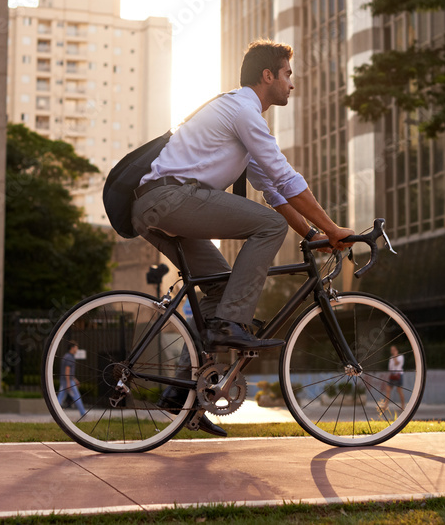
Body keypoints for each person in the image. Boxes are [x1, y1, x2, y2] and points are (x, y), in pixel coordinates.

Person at [130, 39, 352, 436]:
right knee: (268, 227)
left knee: (218, 291)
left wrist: (316, 236)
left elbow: (275, 189)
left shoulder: (239, 117)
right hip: (169, 198)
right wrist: (335, 229)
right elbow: (286, 176)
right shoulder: (243, 110)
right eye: (287, 75)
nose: (292, 84)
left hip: (158, 205)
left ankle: (183, 401)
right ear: (268, 76)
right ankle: (233, 324)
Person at [58, 341, 87, 417]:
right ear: (72, 348)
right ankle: (83, 412)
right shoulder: (69, 357)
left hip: (66, 380)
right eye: (76, 348)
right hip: (68, 381)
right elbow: (67, 370)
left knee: (61, 396)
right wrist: (68, 383)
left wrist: (75, 379)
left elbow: (68, 371)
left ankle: (56, 411)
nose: (77, 349)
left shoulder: (66, 356)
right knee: (77, 396)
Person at [382, 345, 405, 411]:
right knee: (388, 390)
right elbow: (390, 368)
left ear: (396, 350)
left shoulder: (400, 357)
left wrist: (395, 356)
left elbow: (397, 363)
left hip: (398, 375)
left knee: (399, 390)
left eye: (393, 349)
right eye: (391, 350)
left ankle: (403, 406)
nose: (392, 351)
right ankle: (385, 405)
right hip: (392, 375)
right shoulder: (391, 358)